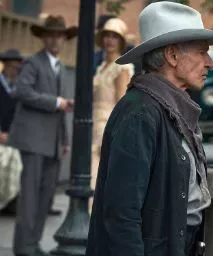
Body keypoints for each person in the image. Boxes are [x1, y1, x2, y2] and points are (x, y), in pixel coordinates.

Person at [85, 2, 213, 256]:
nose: (209, 62)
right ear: (172, 56)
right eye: (201, 52)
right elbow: (122, 213)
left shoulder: (170, 107)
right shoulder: (140, 112)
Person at [8, 15, 76, 256]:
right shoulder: (33, 63)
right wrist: (56, 102)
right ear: (43, 37)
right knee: (29, 197)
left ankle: (33, 244)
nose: (55, 40)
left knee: (45, 196)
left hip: (53, 142)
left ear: (64, 39)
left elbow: (62, 110)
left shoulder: (60, 68)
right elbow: (21, 91)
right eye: (50, 35)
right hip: (33, 140)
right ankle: (23, 246)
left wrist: (65, 140)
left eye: (59, 35)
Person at [91, 17, 134, 191]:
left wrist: (114, 133)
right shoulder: (101, 66)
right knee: (92, 174)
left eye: (115, 36)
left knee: (100, 176)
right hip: (93, 124)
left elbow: (122, 103)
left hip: (108, 125)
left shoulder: (122, 67)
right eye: (107, 35)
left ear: (121, 41)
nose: (110, 40)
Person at [0, 49, 23, 215]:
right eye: (11, 67)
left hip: (13, 136)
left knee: (16, 169)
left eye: (17, 67)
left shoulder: (19, 88)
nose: (13, 70)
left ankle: (11, 204)